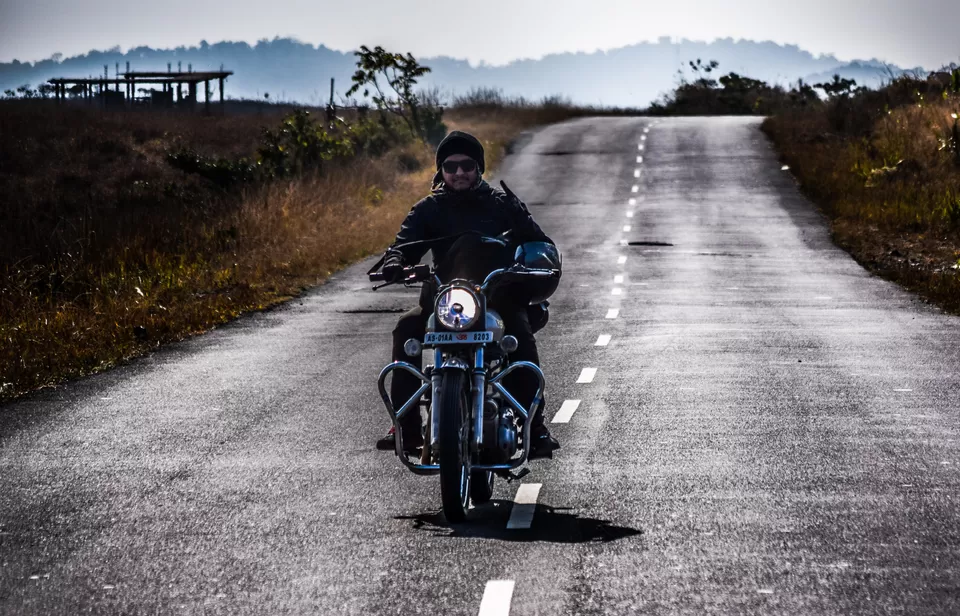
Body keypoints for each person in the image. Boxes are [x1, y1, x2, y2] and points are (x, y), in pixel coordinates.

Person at [373, 130, 560, 459]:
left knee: (518, 332)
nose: (459, 173)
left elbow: (537, 241)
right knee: (406, 328)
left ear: (479, 167)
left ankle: (534, 425)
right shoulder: (428, 208)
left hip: (497, 297)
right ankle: (405, 427)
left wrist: (529, 246)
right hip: (445, 298)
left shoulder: (502, 205)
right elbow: (404, 244)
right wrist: (395, 261)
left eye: (467, 165)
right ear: (441, 170)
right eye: (451, 166)